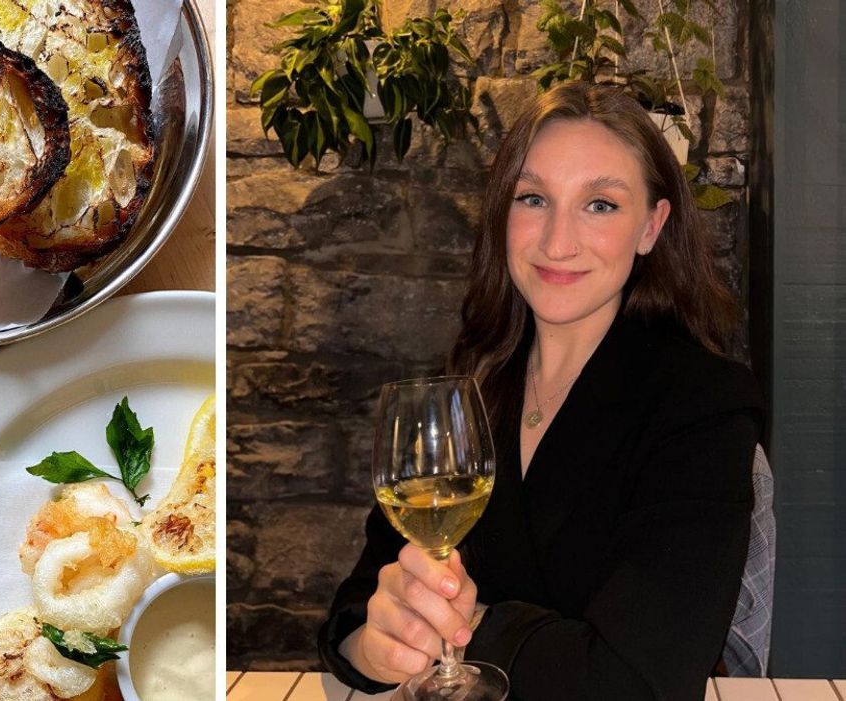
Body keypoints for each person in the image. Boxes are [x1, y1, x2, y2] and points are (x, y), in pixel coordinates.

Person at [317, 81, 764, 701]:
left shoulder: (702, 405)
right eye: (533, 198)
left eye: (600, 204)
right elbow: (355, 609)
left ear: (651, 227)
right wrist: (373, 644)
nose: (557, 242)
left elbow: (637, 686)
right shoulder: (474, 382)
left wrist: (470, 630)